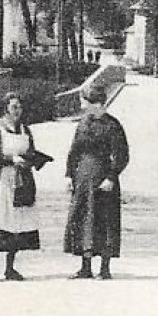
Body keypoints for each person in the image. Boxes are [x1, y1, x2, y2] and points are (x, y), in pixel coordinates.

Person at [64, 82, 130, 279]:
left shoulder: (113, 125)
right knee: (84, 219)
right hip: (83, 179)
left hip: (104, 180)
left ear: (96, 103)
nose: (82, 106)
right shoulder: (83, 123)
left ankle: (105, 267)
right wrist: (69, 174)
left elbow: (122, 155)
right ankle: (85, 266)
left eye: (85, 102)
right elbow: (74, 151)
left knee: (104, 220)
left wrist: (112, 177)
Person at [0, 93, 46, 282]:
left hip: (22, 180)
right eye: (14, 107)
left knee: (17, 224)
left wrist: (32, 160)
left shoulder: (25, 130)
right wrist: (10, 159)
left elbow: (31, 150)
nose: (17, 111)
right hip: (2, 182)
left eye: (19, 107)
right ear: (6, 109)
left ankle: (10, 268)